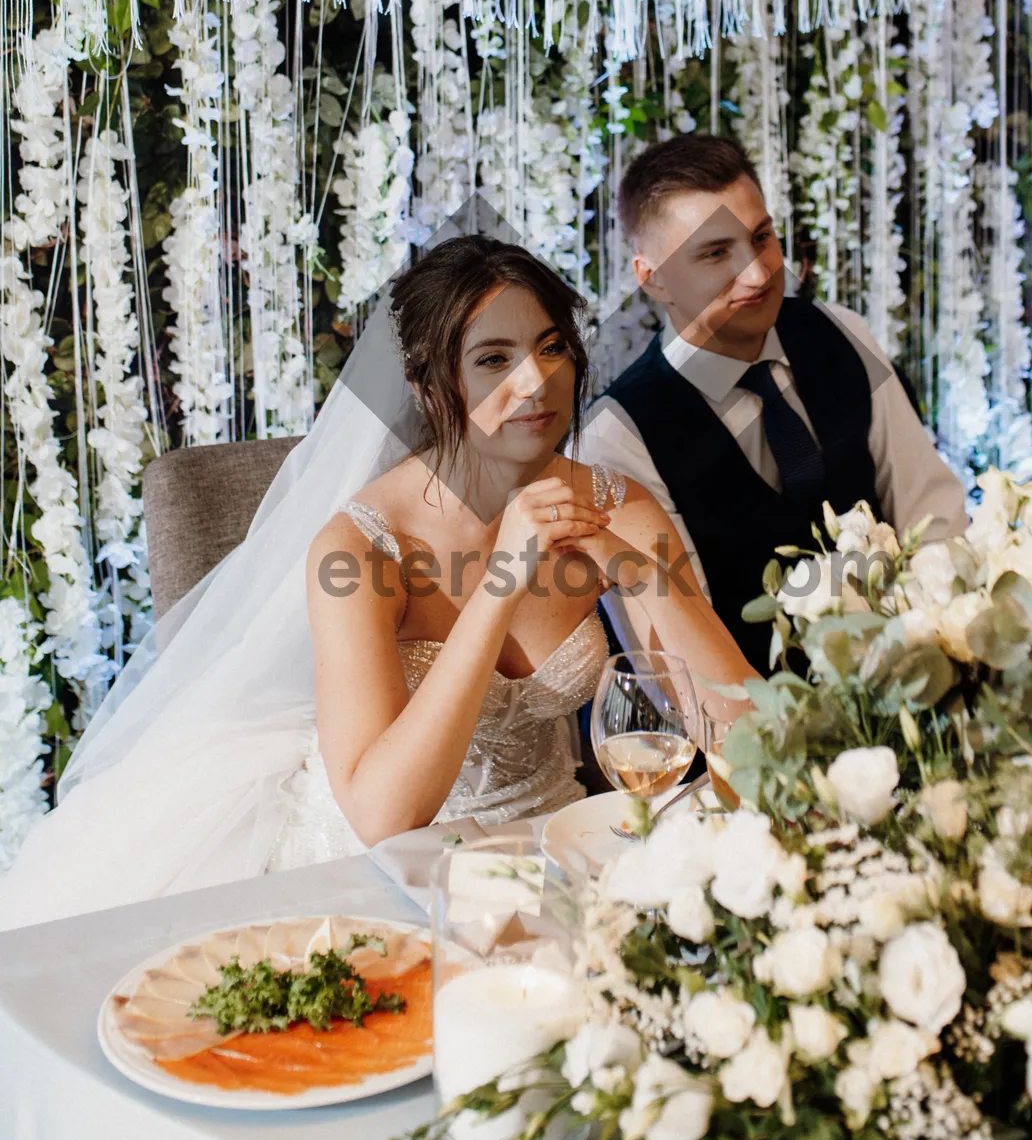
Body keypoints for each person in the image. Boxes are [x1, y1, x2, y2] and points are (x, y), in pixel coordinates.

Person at [0, 235, 753, 930]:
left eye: (552, 346)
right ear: (432, 384)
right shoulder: (360, 549)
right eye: (494, 358)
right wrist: (499, 583)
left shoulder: (618, 503)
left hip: (558, 853)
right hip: (382, 877)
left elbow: (745, 736)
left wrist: (636, 569)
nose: (537, 381)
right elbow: (385, 814)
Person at [579, 134, 968, 668]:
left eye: (761, 238)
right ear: (653, 278)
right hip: (750, 735)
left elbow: (935, 517)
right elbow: (674, 663)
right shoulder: (617, 436)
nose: (760, 274)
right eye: (716, 253)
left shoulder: (843, 333)